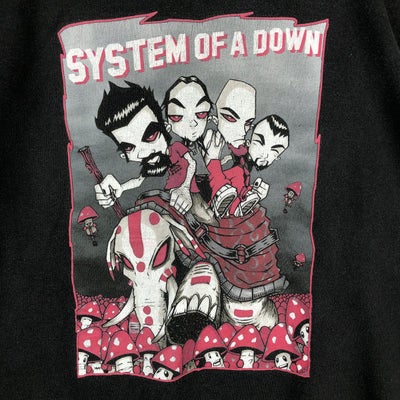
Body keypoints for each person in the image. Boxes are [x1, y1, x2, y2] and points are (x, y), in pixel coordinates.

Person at [163, 75, 216, 224]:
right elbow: (191, 164)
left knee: (210, 215)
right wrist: (185, 187)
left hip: (200, 184)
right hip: (184, 188)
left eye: (201, 113)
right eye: (177, 116)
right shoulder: (174, 146)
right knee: (208, 220)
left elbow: (200, 162)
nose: (192, 123)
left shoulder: (198, 143)